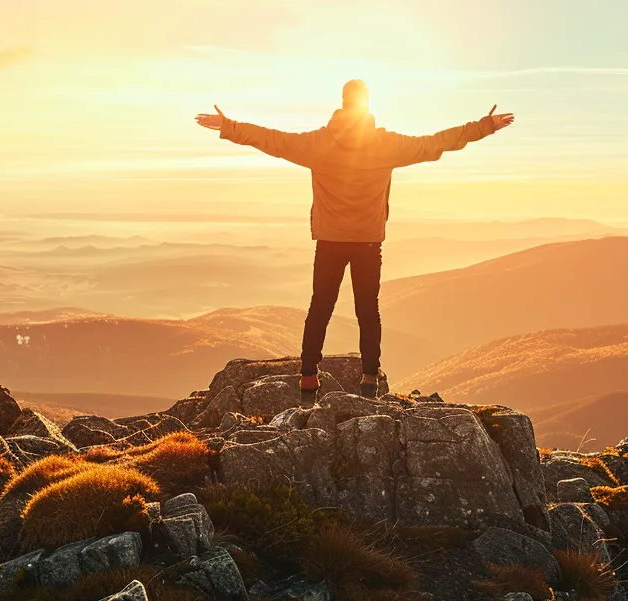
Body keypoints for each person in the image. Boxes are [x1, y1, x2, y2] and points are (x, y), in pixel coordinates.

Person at [196, 80, 515, 405]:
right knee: (368, 310)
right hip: (367, 242)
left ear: (343, 103)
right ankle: (368, 380)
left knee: (319, 308)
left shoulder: (318, 143)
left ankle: (308, 380)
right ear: (366, 105)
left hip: (330, 242)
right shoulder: (385, 144)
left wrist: (229, 127)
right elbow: (435, 143)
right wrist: (484, 126)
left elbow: (273, 140)